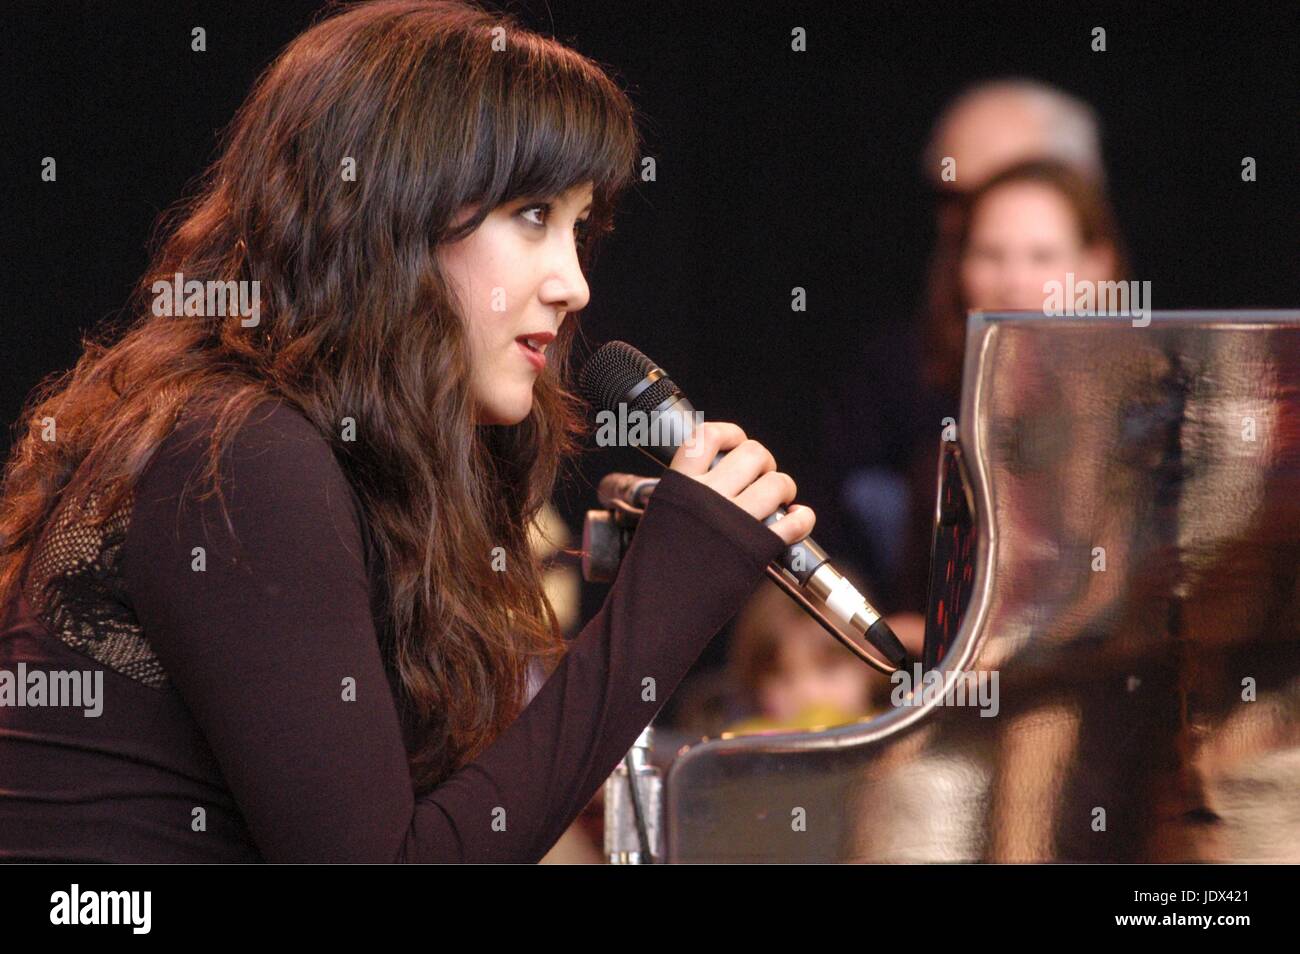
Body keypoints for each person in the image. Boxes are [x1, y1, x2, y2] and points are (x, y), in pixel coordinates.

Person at [0, 0, 815, 863]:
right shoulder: (240, 454)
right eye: (533, 215)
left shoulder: (334, 455)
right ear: (391, 218)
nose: (574, 282)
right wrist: (665, 601)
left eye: (581, 227)